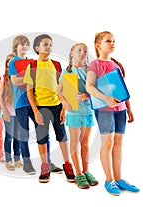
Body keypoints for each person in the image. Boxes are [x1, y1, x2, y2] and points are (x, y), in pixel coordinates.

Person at [85, 31, 140, 195]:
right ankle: (109, 180)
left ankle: (118, 178)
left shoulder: (116, 65)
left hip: (120, 110)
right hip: (104, 110)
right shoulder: (94, 64)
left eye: (114, 41)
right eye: (108, 41)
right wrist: (106, 98)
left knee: (117, 144)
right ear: (98, 45)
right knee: (107, 144)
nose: (112, 43)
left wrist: (129, 108)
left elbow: (122, 88)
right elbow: (89, 87)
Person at [23, 34, 75, 183]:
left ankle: (67, 165)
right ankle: (45, 166)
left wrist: (64, 108)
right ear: (37, 48)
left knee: (62, 137)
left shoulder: (57, 65)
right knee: (42, 138)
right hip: (41, 107)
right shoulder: (32, 66)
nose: (49, 47)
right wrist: (35, 111)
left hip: (57, 106)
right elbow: (28, 91)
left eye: (50, 44)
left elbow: (63, 89)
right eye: (45, 44)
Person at [9, 35, 62, 175]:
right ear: (16, 47)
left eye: (27, 45)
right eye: (22, 45)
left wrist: (35, 80)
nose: (25, 47)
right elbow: (14, 81)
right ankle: (27, 163)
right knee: (24, 133)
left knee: (42, 132)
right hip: (21, 102)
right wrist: (33, 80)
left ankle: (48, 162)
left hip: (36, 102)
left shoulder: (32, 62)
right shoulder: (13, 61)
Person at [57, 43, 98, 189]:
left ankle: (86, 171)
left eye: (85, 51)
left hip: (87, 110)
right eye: (79, 50)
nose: (82, 53)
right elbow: (59, 91)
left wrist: (87, 95)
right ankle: (78, 173)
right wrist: (64, 103)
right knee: (74, 141)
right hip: (74, 111)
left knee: (85, 141)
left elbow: (96, 91)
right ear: (71, 53)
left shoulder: (90, 71)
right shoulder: (67, 71)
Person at [0, 54, 22, 170]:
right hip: (8, 112)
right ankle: (9, 160)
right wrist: (5, 112)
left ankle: (17, 158)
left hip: (18, 112)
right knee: (9, 136)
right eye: (8, 62)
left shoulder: (19, 77)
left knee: (18, 136)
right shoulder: (4, 78)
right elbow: (0, 97)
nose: (10, 64)